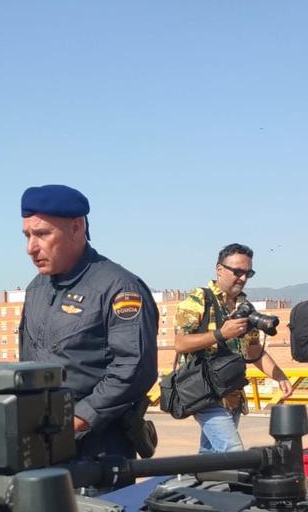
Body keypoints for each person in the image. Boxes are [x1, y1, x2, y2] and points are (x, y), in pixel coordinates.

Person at [17, 184, 159, 463]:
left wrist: (78, 420)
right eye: (27, 235)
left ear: (76, 227)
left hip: (98, 452)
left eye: (42, 234)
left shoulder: (118, 288)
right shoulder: (37, 289)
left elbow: (133, 369)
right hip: (41, 447)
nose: (31, 248)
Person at [173, 244, 293, 451]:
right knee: (234, 453)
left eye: (248, 273)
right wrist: (221, 334)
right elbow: (180, 343)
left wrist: (280, 376)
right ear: (219, 270)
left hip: (232, 394)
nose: (243, 278)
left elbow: (254, 352)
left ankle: (204, 481)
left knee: (213, 460)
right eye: (237, 272)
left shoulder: (245, 307)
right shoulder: (199, 299)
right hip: (205, 394)